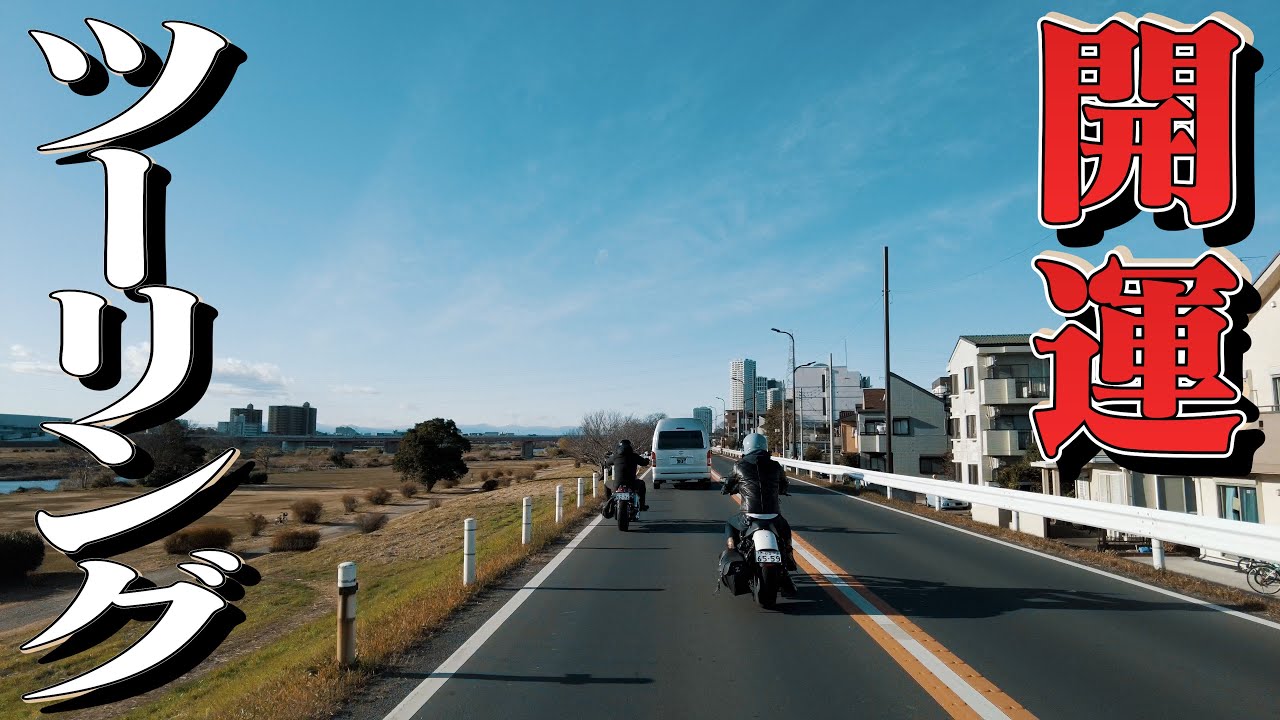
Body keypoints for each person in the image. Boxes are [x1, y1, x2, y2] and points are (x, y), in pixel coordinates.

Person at [721, 432, 796, 596]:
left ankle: (732, 547)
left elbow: (729, 484)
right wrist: (782, 490)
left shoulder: (739, 466)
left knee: (729, 523)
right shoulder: (775, 466)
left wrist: (726, 489)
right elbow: (784, 484)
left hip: (749, 516)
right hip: (773, 516)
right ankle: (788, 554)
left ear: (746, 448)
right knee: (785, 529)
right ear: (765, 447)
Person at [603, 439, 650, 512]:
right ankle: (642, 505)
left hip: (617, 485)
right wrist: (647, 460)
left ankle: (608, 504)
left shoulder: (615, 457)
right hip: (632, 484)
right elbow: (644, 463)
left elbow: (607, 463)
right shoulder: (634, 456)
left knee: (606, 484)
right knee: (642, 484)